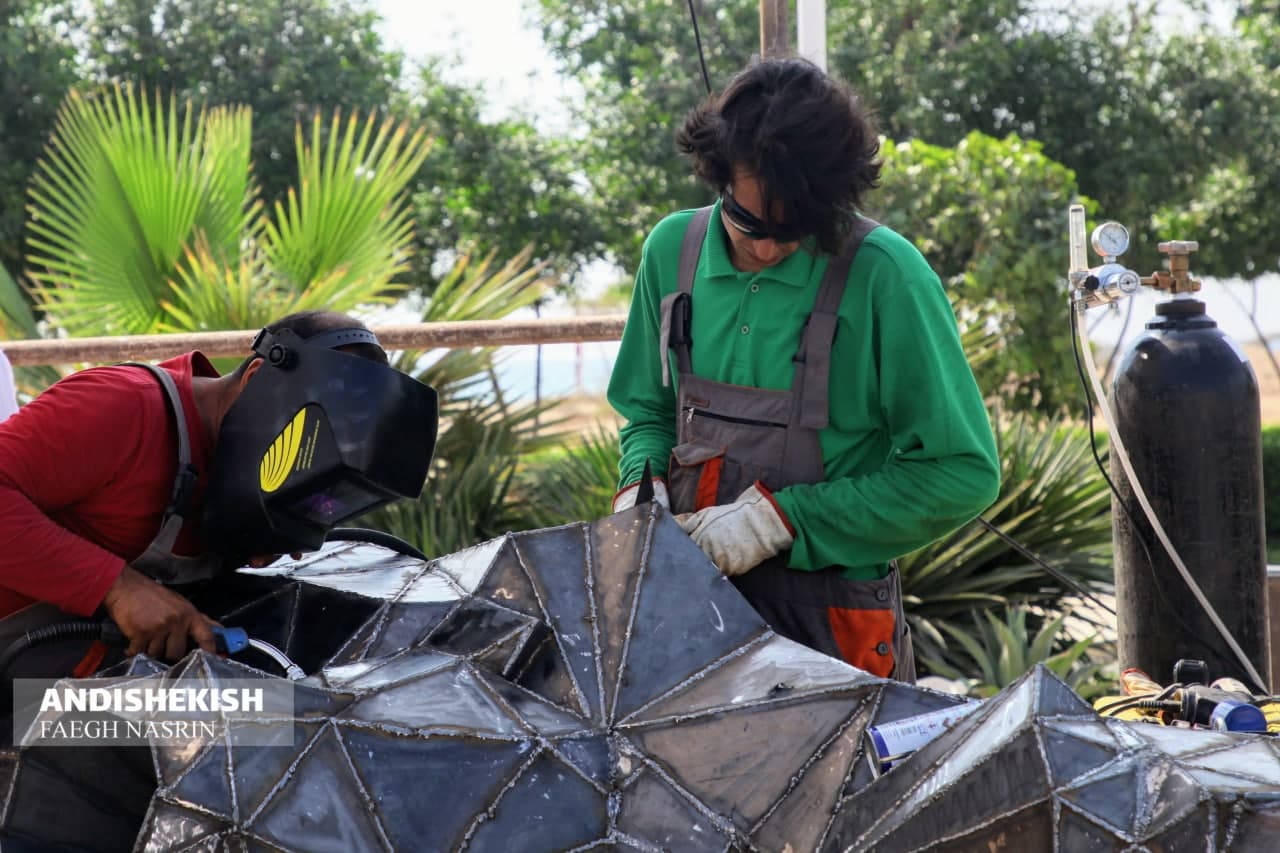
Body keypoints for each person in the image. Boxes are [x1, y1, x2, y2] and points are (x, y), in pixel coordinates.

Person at [607, 58, 1001, 682]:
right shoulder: (669, 252)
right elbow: (650, 411)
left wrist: (778, 522)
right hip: (681, 612)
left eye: (792, 230)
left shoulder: (886, 275)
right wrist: (641, 488)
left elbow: (962, 474)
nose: (766, 248)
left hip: (832, 624)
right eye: (748, 222)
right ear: (717, 177)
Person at [0, 310, 436, 678]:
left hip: (78, 687)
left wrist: (250, 538)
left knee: (281, 716)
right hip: (17, 693)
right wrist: (118, 588)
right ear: (257, 378)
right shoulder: (125, 406)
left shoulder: (230, 462)